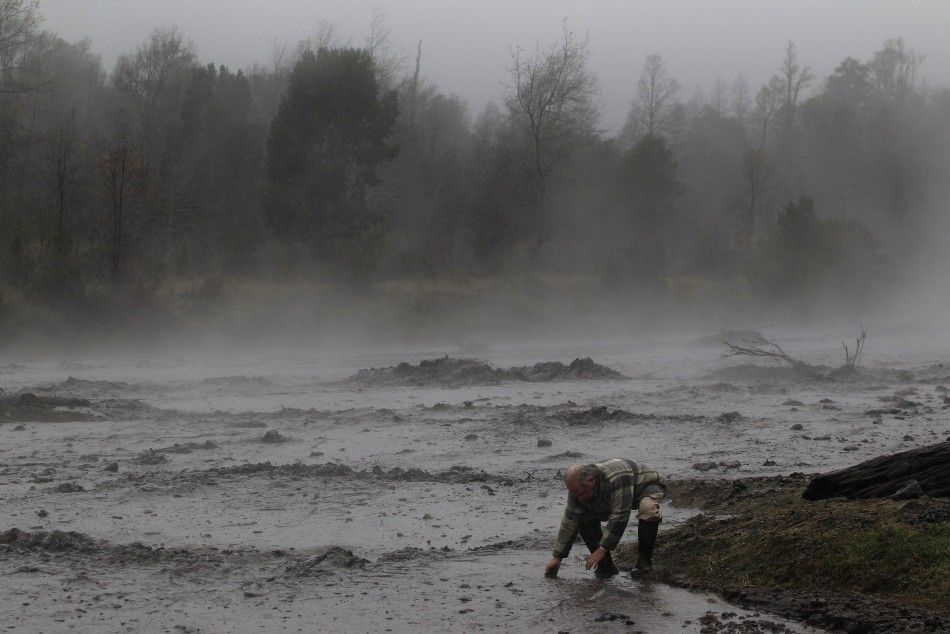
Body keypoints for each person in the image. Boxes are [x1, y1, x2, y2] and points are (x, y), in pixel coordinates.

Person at [544, 459, 665, 579]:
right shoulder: (578, 488)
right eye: (576, 495)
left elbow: (620, 516)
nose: (579, 499)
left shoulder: (616, 479)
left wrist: (602, 549)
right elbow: (570, 520)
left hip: (647, 486)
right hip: (612, 495)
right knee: (583, 517)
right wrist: (557, 557)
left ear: (591, 481)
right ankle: (606, 567)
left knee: (648, 508)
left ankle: (643, 564)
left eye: (581, 494)